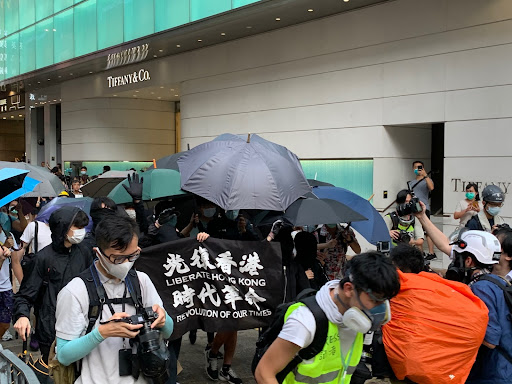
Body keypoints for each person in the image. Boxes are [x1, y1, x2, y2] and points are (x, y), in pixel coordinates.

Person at [54, 215, 174, 384]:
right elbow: (64, 356)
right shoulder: (75, 291)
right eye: (118, 258)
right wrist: (102, 333)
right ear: (98, 252)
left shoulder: (141, 281)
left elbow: (169, 331)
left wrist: (163, 320)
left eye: (132, 256)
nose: (126, 263)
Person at [255, 252, 400, 384]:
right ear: (349, 289)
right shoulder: (305, 321)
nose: (380, 309)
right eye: (376, 300)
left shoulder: (355, 316)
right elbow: (264, 373)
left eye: (385, 301)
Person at [13, 206, 93, 365]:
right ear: (63, 229)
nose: (81, 232)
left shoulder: (84, 252)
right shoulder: (42, 259)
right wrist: (22, 316)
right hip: (50, 331)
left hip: (82, 329)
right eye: (77, 227)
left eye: (83, 227)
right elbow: (24, 295)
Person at [408, 160, 435, 259]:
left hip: (424, 208)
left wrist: (425, 175)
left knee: (427, 231)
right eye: (415, 167)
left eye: (419, 167)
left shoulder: (427, 180)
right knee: (417, 231)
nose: (417, 169)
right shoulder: (411, 183)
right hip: (414, 209)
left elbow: (431, 187)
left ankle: (431, 253)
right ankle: (421, 252)